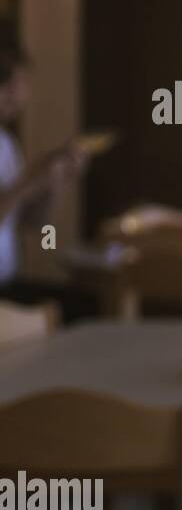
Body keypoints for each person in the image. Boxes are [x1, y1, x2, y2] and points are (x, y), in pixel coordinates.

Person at [0, 32, 90, 308]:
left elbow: (31, 222)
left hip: (8, 283)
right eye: (16, 81)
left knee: (83, 304)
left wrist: (53, 181)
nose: (22, 93)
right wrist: (29, 179)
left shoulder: (6, 144)